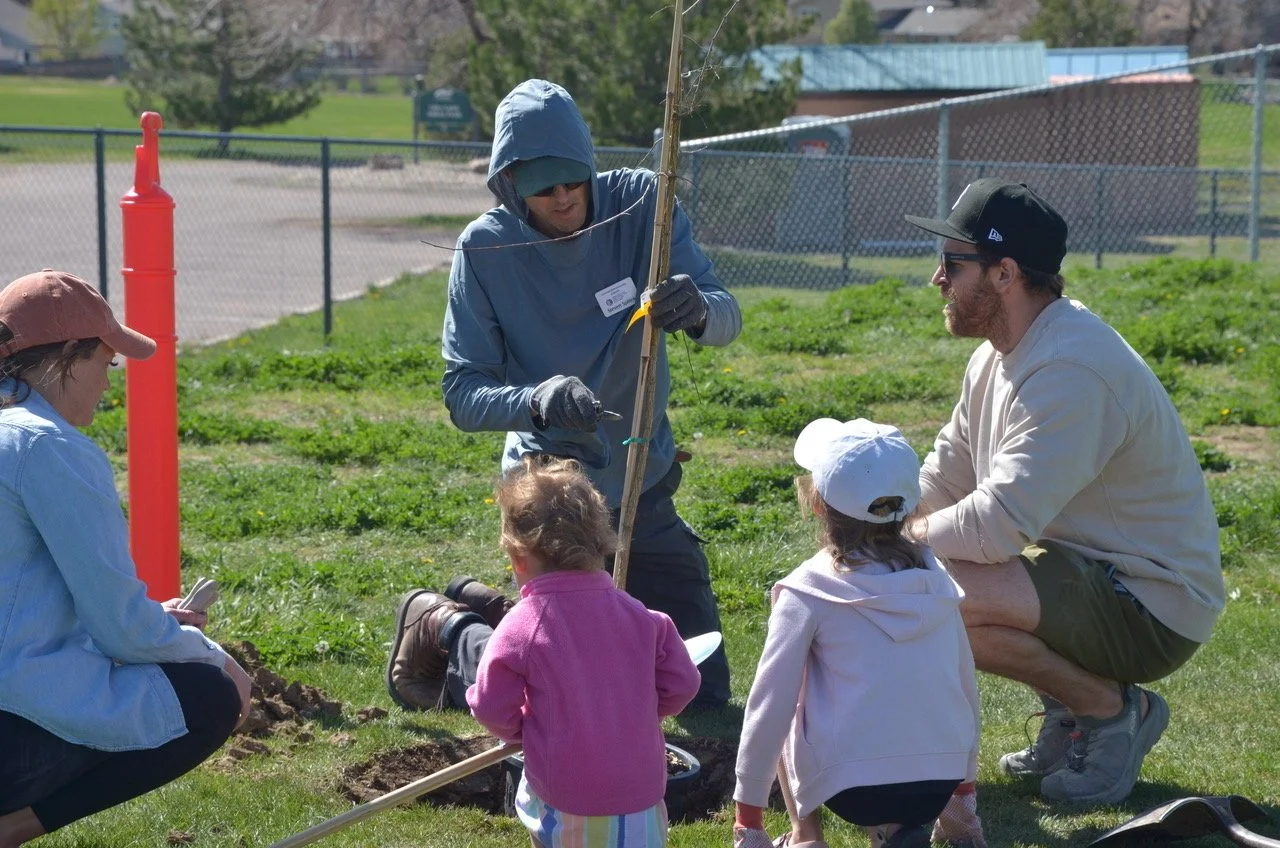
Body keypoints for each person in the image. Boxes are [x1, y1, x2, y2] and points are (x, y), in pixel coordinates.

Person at [389, 77, 741, 711]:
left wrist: (696, 309)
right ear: (510, 184)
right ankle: (446, 627)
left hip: (643, 483)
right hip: (553, 496)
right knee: (563, 696)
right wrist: (537, 399)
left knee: (698, 691)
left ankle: (487, 607)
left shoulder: (643, 207)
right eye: (542, 186)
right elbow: (463, 393)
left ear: (589, 167)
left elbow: (726, 316)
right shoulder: (485, 248)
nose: (561, 197)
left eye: (571, 180)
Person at [903, 179, 1224, 804]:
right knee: (916, 589)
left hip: (1152, 605)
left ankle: (1108, 713)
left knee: (933, 597)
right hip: (1088, 573)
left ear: (1005, 274)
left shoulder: (1071, 368)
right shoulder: (996, 356)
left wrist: (904, 543)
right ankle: (1075, 713)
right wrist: (876, 539)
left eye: (952, 262)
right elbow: (944, 479)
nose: (937, 279)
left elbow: (996, 526)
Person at [0, 269, 253, 848]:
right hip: (10, 734)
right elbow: (120, 631)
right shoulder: (48, 446)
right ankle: (13, 827)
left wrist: (156, 620)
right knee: (209, 696)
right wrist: (214, 658)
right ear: (67, 356)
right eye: (105, 365)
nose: (109, 387)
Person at [733, 418, 983, 848]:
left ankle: (805, 836)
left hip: (852, 791)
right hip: (937, 783)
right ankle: (902, 831)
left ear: (817, 505)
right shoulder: (936, 579)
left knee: (793, 701)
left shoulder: (806, 591)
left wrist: (748, 821)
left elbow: (767, 708)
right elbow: (964, 686)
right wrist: (962, 799)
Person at [468, 455, 700, 847]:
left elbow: (491, 706)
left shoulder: (522, 626)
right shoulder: (643, 617)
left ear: (518, 557)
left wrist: (524, 730)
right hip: (641, 793)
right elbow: (683, 683)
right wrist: (636, 713)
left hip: (566, 796)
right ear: (600, 543)